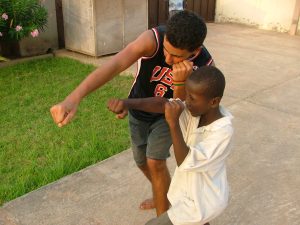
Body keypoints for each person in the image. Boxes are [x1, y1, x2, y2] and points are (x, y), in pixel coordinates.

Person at [50, 10, 214, 216]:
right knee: (142, 161)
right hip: (139, 109)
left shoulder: (205, 67)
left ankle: (163, 218)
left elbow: (180, 107)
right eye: (166, 51)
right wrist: (74, 98)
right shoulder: (152, 39)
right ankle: (161, 193)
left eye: (177, 56)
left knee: (155, 161)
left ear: (195, 51)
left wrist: (180, 82)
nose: (168, 58)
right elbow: (115, 64)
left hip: (168, 117)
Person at [107, 66, 234, 225]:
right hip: (187, 193)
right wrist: (127, 103)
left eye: (192, 98)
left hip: (203, 202)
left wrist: (173, 123)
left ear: (213, 101)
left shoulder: (222, 132)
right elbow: (163, 104)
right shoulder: (197, 112)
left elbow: (185, 161)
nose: (187, 101)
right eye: (187, 95)